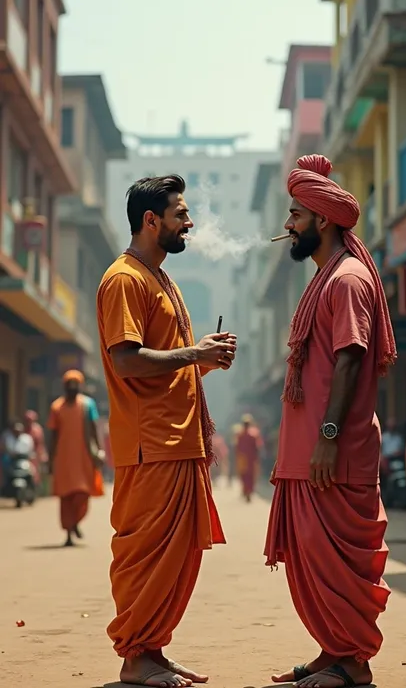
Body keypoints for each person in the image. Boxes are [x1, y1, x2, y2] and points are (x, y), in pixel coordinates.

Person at [96, 174, 237, 687]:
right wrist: (196, 353)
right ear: (151, 221)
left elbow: (164, 367)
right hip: (148, 444)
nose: (190, 222)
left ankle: (152, 649)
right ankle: (136, 657)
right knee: (146, 558)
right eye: (180, 213)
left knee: (175, 559)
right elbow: (128, 362)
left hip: (177, 441)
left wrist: (203, 361)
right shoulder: (124, 279)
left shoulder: (162, 279)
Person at [265, 155, 397, 688]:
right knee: (313, 561)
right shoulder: (326, 276)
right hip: (313, 454)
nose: (288, 225)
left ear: (322, 219)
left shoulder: (344, 279)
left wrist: (326, 437)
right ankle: (333, 650)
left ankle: (352, 663)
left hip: (332, 453)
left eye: (295, 214)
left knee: (334, 563)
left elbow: (349, 356)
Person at [47, 370, 105, 547]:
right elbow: (53, 434)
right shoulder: (56, 407)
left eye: (75, 385)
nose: (72, 389)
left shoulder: (88, 405)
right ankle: (69, 533)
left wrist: (99, 449)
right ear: (64, 387)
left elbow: (94, 428)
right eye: (69, 385)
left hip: (83, 458)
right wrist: (50, 459)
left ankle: (75, 523)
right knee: (66, 499)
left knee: (82, 494)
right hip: (63, 459)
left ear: (80, 387)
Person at [236, 414, 263, 502]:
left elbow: (237, 447)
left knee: (245, 476)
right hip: (250, 459)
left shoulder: (240, 434)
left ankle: (246, 491)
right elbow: (257, 448)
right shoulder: (254, 434)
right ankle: (248, 491)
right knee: (249, 476)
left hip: (244, 459)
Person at [23, 410, 48, 490]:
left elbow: (40, 443)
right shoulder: (23, 429)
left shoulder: (37, 429)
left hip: (36, 454)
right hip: (25, 454)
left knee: (37, 473)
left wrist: (41, 455)